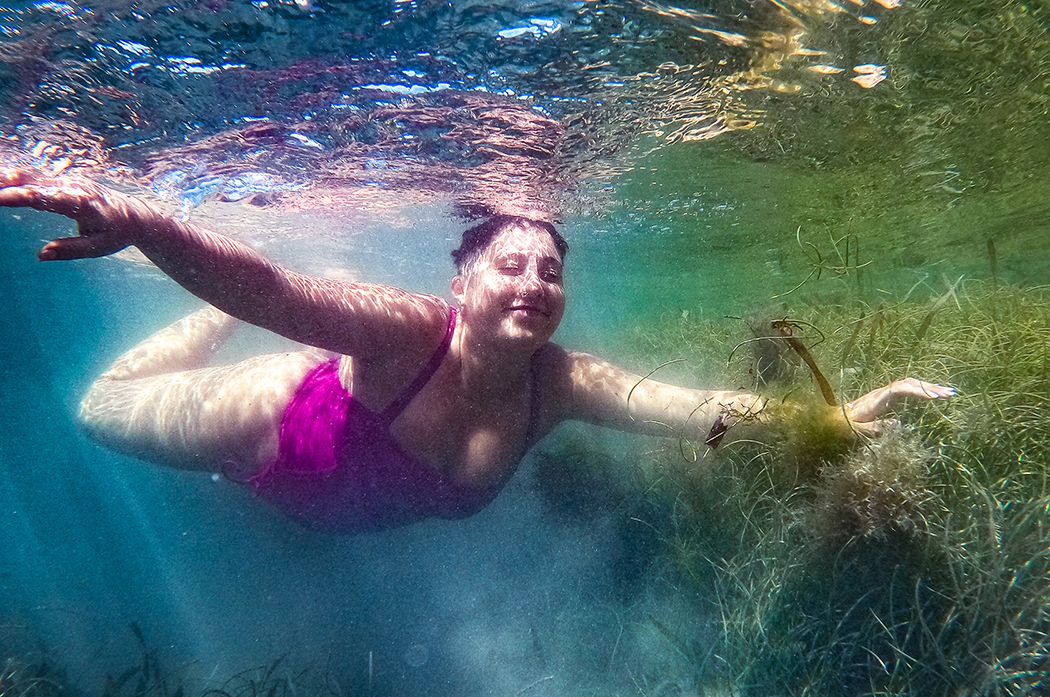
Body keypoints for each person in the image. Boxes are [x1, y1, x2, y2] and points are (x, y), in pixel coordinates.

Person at [0, 168, 953, 531]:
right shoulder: (411, 330)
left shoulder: (561, 385)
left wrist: (824, 417)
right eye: (510, 264)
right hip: (272, 426)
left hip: (325, 512)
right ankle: (211, 335)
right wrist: (148, 228)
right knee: (96, 410)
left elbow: (691, 412)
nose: (535, 283)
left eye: (550, 270)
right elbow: (281, 294)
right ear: (462, 282)